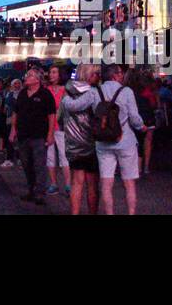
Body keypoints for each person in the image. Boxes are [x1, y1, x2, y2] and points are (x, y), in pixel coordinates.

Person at [84, 64, 146, 215]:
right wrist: (142, 126)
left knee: (106, 183)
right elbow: (134, 117)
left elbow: (83, 109)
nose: (122, 75)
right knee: (129, 182)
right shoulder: (126, 91)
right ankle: (131, 213)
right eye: (121, 73)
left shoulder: (94, 91)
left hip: (103, 141)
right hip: (125, 140)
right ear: (115, 75)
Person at [9, 67, 56, 204]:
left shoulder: (45, 94)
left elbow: (51, 115)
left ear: (37, 79)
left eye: (29, 76)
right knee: (26, 163)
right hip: (23, 135)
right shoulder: (23, 93)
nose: (26, 78)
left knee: (39, 164)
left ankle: (40, 192)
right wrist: (13, 130)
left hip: (39, 136)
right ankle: (31, 189)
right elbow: (15, 112)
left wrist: (50, 134)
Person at [59, 63, 100, 215]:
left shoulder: (67, 92)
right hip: (91, 142)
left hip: (73, 143)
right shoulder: (94, 92)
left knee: (76, 182)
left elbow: (61, 117)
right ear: (89, 75)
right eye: (95, 74)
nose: (98, 76)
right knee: (92, 184)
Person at [43, 64, 70, 194]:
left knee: (64, 155)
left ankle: (68, 184)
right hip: (48, 128)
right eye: (50, 72)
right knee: (50, 156)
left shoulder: (65, 90)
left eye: (54, 72)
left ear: (60, 75)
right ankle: (53, 184)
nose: (51, 75)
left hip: (60, 127)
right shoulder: (46, 90)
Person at [2, 77, 22, 165]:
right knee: (10, 138)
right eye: (15, 84)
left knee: (19, 139)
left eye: (18, 83)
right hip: (10, 118)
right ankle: (9, 158)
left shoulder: (23, 94)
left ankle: (19, 158)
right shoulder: (9, 94)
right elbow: (6, 106)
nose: (17, 85)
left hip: (21, 118)